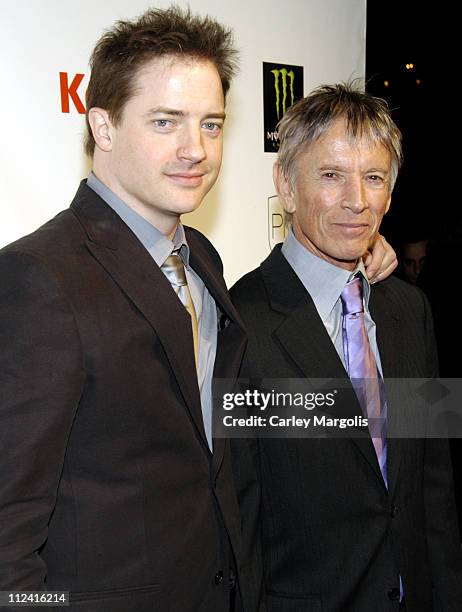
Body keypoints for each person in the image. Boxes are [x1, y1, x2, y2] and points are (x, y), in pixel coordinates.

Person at [0, 7, 396, 610]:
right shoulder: (40, 276)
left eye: (211, 125)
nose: (195, 149)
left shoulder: (203, 260)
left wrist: (352, 263)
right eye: (165, 122)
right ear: (102, 127)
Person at [231, 83, 462, 611]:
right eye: (331, 175)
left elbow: (433, 486)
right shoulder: (239, 323)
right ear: (286, 186)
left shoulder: (410, 310)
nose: (356, 199)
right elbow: (238, 520)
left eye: (374, 178)